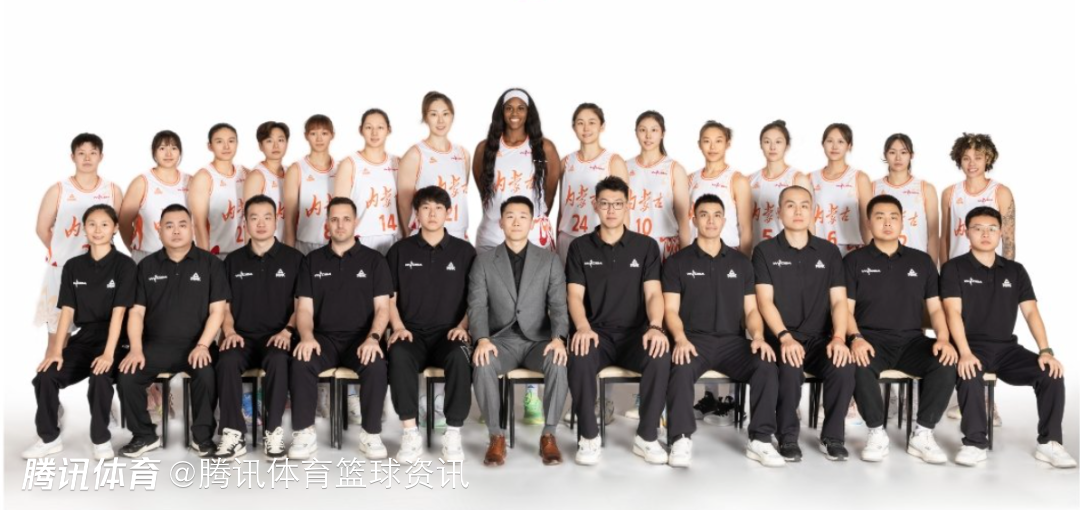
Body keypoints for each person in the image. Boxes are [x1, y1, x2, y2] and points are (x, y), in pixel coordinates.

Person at [943, 206, 1075, 468]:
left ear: (1001, 232)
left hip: (1007, 349)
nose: (985, 234)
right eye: (978, 228)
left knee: (1050, 373)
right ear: (967, 232)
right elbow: (952, 312)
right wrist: (964, 352)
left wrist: (1045, 351)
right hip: (971, 346)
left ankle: (1049, 443)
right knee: (969, 373)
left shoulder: (1015, 271)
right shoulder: (953, 268)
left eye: (992, 229)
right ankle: (974, 443)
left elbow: (1031, 312)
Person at [663, 194, 783, 468]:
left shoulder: (741, 263)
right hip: (693, 340)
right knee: (680, 367)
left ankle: (761, 439)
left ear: (724, 220)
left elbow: (751, 311)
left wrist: (759, 337)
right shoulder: (677, 262)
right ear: (694, 219)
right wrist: (680, 339)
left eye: (717, 215)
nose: (711, 221)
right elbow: (670, 310)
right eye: (704, 215)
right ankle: (680, 437)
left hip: (732, 342)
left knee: (766, 364)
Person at [566, 176, 670, 466]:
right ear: (595, 205)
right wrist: (582, 327)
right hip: (596, 333)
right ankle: (588, 436)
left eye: (617, 204)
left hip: (636, 335)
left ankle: (647, 437)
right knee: (579, 355)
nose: (611, 210)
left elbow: (653, 294)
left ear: (628, 205)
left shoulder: (646, 246)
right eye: (605, 204)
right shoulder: (579, 247)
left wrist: (656, 327)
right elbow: (574, 295)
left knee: (660, 354)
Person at [846, 195, 957, 464]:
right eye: (880, 217)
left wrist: (943, 338)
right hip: (871, 340)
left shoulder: (922, 262)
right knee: (857, 363)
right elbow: (844, 310)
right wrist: (856, 338)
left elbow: (935, 309)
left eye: (893, 217)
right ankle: (876, 432)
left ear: (902, 222)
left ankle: (923, 433)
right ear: (868, 223)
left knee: (946, 361)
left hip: (911, 341)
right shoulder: (853, 261)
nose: (887, 223)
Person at [22, 205, 135, 461]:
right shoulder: (73, 266)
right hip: (85, 337)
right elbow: (67, 312)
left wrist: (108, 354)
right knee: (46, 376)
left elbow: (119, 313)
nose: (98, 230)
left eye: (104, 224)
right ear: (84, 228)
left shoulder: (125, 265)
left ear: (115, 228)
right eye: (92, 224)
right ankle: (49, 438)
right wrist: (57, 351)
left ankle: (101, 439)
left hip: (117, 339)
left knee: (100, 376)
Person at [117, 204, 229, 457]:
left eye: (182, 225)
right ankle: (144, 435)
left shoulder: (211, 264)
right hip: (155, 345)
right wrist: (136, 349)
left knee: (207, 374)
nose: (176, 231)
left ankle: (202, 438)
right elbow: (136, 313)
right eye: (169, 226)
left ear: (192, 229)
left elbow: (217, 311)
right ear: (159, 231)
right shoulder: (146, 266)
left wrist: (203, 345)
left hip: (196, 344)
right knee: (127, 376)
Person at [752, 185, 855, 462]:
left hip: (821, 339)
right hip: (782, 337)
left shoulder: (829, 252)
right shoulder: (765, 251)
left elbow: (839, 302)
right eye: (790, 205)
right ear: (779, 212)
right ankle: (787, 437)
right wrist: (785, 337)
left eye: (804, 206)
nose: (798, 211)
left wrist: (839, 338)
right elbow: (764, 301)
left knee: (843, 365)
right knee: (789, 367)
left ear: (813, 212)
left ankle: (833, 436)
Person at [287, 197, 391, 460]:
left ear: (355, 222)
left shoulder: (375, 261)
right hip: (323, 339)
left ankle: (371, 433)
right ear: (327, 224)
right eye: (334, 219)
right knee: (301, 359)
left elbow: (383, 308)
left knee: (376, 363)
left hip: (361, 339)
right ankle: (304, 432)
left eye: (346, 219)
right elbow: (304, 309)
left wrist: (373, 338)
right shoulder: (312, 261)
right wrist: (306, 337)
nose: (340, 225)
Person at [470, 196, 569, 466]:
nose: (516, 221)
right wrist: (482, 339)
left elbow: (559, 306)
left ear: (532, 223)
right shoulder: (484, 261)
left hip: (538, 341)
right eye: (510, 216)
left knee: (558, 360)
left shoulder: (549, 261)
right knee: (482, 361)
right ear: (500, 223)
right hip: (500, 341)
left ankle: (549, 434)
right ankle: (496, 436)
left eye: (523, 216)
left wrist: (559, 339)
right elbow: (477, 306)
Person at [385, 186, 476, 464]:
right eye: (425, 208)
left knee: (460, 357)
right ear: (417, 213)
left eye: (438, 208)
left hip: (450, 333)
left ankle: (453, 433)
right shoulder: (400, 251)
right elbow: (389, 297)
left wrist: (463, 326)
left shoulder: (464, 252)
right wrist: (398, 327)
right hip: (411, 332)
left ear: (449, 213)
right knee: (398, 354)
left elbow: (475, 298)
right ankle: (409, 433)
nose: (432, 214)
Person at [211, 195, 304, 458]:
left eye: (267, 217)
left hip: (278, 336)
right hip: (241, 337)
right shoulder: (232, 261)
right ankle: (233, 432)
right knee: (226, 360)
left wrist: (287, 331)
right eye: (254, 218)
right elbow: (225, 306)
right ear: (245, 223)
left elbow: (302, 305)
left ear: (276, 220)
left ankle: (273, 431)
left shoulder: (295, 259)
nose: (261, 223)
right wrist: (229, 331)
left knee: (278, 360)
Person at [686, 120, 753, 426]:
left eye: (718, 140)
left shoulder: (737, 179)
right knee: (701, 326)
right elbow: (686, 224)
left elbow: (745, 228)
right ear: (699, 144)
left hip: (730, 259)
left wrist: (741, 265)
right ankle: (708, 397)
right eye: (706, 140)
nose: (712, 146)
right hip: (699, 258)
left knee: (731, 329)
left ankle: (728, 399)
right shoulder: (691, 179)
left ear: (728, 143)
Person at [36, 133, 122, 348]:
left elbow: (116, 227)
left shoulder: (112, 190)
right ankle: (51, 370)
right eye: (81, 153)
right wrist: (62, 252)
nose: (87, 158)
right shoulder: (58, 190)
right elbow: (42, 229)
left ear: (101, 156)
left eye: (93, 153)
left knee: (102, 338)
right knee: (57, 342)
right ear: (72, 156)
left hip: (101, 274)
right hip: (63, 270)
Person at [473, 88, 560, 254]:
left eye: (521, 108)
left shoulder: (543, 148)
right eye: (509, 108)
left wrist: (535, 213)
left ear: (528, 112)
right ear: (501, 112)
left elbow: (550, 189)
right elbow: (482, 186)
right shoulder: (485, 148)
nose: (514, 113)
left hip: (533, 237)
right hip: (492, 236)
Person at [556, 103, 629, 264]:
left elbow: (624, 209)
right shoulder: (566, 162)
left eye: (592, 122)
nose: (586, 128)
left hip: (598, 239)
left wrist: (622, 249)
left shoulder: (613, 161)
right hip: (567, 238)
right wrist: (557, 236)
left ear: (602, 126)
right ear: (573, 127)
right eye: (580, 123)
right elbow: (562, 208)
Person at [398, 91, 471, 240]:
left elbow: (460, 196)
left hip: (458, 236)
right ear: (425, 117)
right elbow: (404, 204)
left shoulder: (463, 154)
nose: (440, 120)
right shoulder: (415, 154)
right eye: (433, 114)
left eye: (445, 114)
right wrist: (410, 238)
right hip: (427, 237)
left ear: (452, 116)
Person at [625, 110, 691, 260]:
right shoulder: (625, 167)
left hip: (665, 246)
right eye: (643, 130)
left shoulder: (674, 169)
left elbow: (683, 221)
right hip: (632, 245)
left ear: (662, 133)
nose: (648, 136)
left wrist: (686, 259)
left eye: (654, 130)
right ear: (636, 133)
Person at [336, 108, 402, 255]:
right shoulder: (350, 164)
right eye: (369, 127)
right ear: (361, 130)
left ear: (389, 130)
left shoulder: (398, 163)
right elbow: (339, 209)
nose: (374, 133)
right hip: (361, 239)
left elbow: (404, 205)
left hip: (393, 238)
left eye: (380, 127)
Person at [940, 133, 1015, 262]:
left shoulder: (1001, 192)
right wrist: (944, 270)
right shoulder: (949, 193)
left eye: (978, 158)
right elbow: (945, 239)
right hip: (957, 269)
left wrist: (1007, 271)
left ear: (987, 158)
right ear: (959, 160)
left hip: (990, 268)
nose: (972, 163)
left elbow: (1008, 241)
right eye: (966, 158)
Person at [120, 130, 191, 263]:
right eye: (162, 148)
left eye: (174, 148)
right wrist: (136, 250)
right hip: (147, 255)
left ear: (180, 152)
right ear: (154, 152)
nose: (168, 154)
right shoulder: (141, 182)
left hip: (183, 257)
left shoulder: (191, 181)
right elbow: (124, 222)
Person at [871, 133, 940, 264]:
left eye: (903, 152)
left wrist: (931, 267)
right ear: (885, 155)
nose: (898, 158)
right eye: (892, 152)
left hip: (916, 261)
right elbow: (867, 229)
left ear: (911, 155)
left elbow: (933, 235)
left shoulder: (926, 189)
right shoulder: (872, 188)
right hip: (881, 261)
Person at [810, 123, 872, 251]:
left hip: (852, 251)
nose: (834, 146)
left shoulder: (859, 178)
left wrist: (871, 252)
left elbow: (868, 221)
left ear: (849, 146)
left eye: (840, 142)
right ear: (823, 144)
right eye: (830, 141)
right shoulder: (809, 179)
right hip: (820, 251)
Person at [748, 120, 812, 246]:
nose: (772, 147)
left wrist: (810, 253)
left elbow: (809, 222)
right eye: (767, 142)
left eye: (778, 142)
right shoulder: (749, 180)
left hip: (790, 250)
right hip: (757, 250)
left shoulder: (797, 179)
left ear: (786, 145)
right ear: (761, 145)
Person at [188, 123, 246, 259]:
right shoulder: (204, 177)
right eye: (219, 141)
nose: (226, 146)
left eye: (231, 141)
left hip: (244, 253)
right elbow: (199, 224)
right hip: (217, 254)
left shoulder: (245, 173)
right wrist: (205, 261)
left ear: (237, 143)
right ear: (210, 146)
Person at [283, 114, 337, 255]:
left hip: (336, 244)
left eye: (324, 133)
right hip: (305, 245)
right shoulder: (297, 169)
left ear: (332, 135)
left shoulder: (342, 168)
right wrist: (289, 254)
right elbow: (289, 219)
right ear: (306, 136)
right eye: (313, 133)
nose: (319, 139)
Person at [244, 121, 290, 236]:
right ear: (260, 146)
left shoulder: (291, 172)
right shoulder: (257, 176)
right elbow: (249, 219)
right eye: (269, 141)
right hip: (266, 243)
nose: (276, 146)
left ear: (286, 143)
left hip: (290, 243)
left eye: (280, 140)